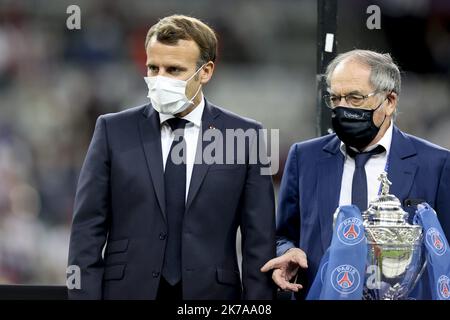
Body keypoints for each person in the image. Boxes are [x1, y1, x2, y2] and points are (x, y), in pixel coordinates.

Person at [67, 15, 276, 300]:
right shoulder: (112, 130)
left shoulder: (246, 135)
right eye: (153, 67)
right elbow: (86, 232)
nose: (160, 79)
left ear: (206, 72)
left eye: (174, 70)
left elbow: (259, 241)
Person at [261, 49, 450, 299]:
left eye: (355, 98)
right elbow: (282, 234)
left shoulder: (435, 163)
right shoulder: (304, 158)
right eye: (335, 98)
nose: (342, 108)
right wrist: (287, 252)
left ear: (390, 102)